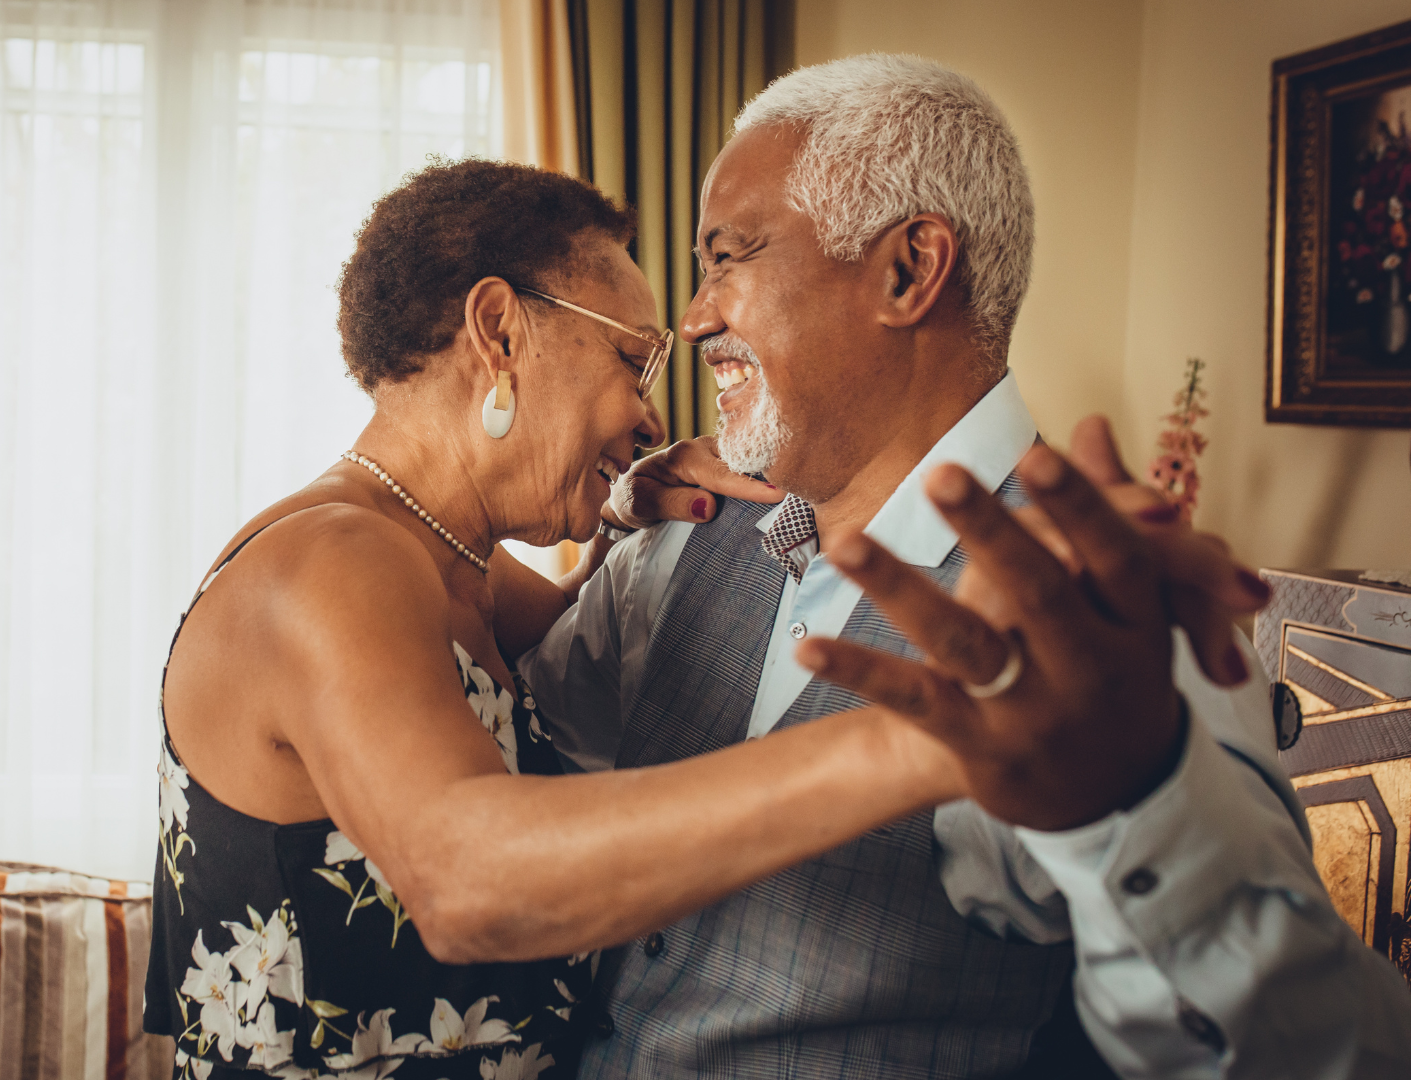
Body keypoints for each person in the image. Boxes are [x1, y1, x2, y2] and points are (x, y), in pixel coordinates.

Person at [518, 54, 1411, 1077]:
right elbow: (515, 761)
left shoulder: (1103, 612)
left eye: (728, 257)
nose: (693, 316)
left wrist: (1140, 798)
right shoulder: (681, 533)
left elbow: (1325, 1055)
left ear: (907, 271)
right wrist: (597, 520)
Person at [144, 159, 981, 1080]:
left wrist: (618, 515)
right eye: (633, 359)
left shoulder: (453, 567)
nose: (651, 414)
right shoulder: (330, 565)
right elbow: (470, 884)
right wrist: (917, 740)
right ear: (499, 331)